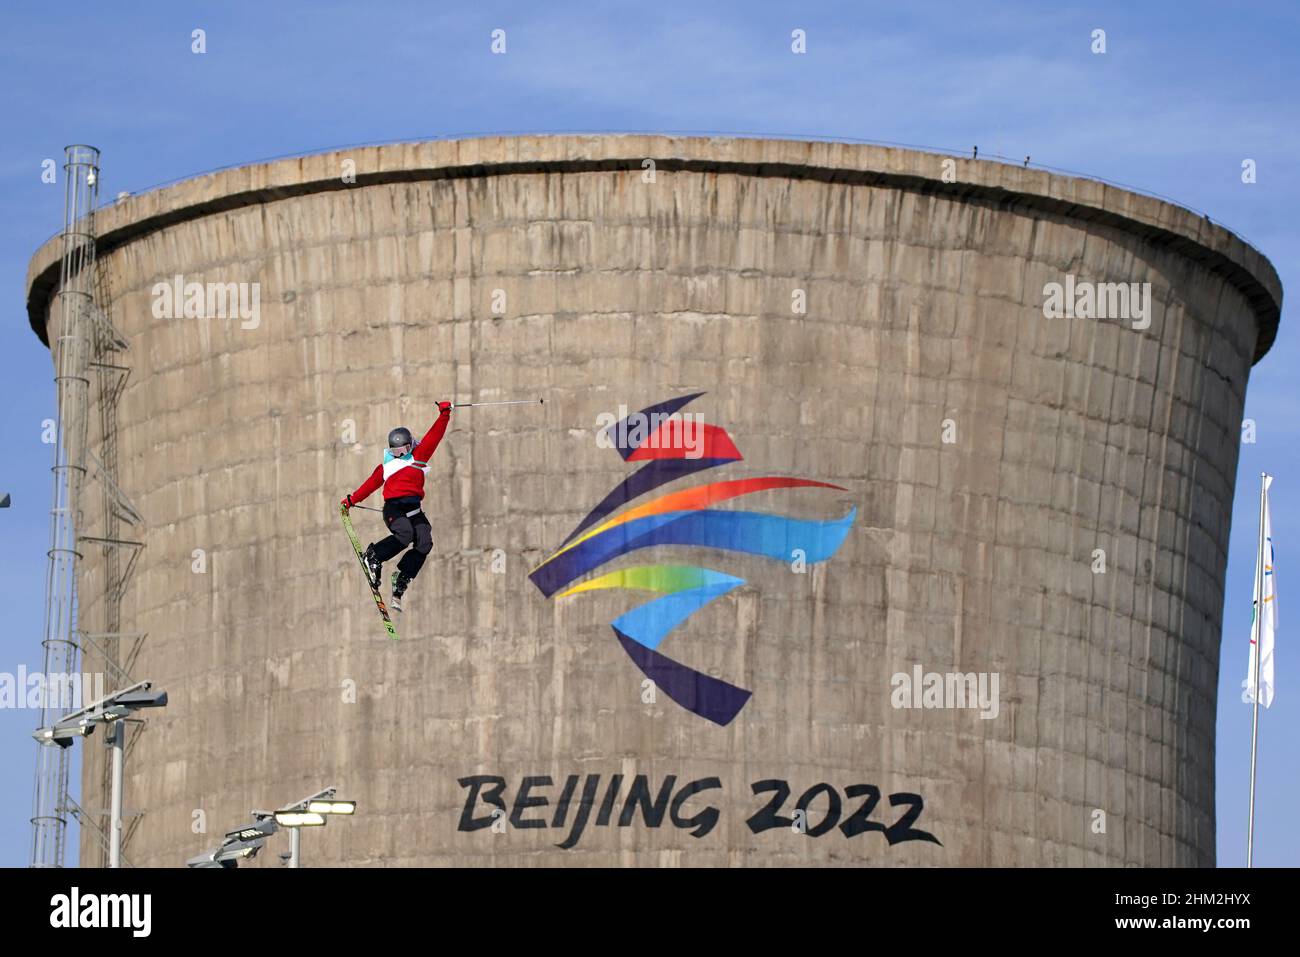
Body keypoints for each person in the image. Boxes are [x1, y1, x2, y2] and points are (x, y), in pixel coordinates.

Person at [341, 401, 452, 611]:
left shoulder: (418, 457)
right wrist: (351, 500)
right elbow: (369, 485)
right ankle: (373, 556)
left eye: (405, 449)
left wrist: (444, 414)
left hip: (414, 509)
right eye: (396, 450)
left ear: (411, 446)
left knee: (424, 541)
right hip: (394, 509)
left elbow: (434, 436)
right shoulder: (386, 467)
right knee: (405, 534)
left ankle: (402, 578)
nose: (401, 453)